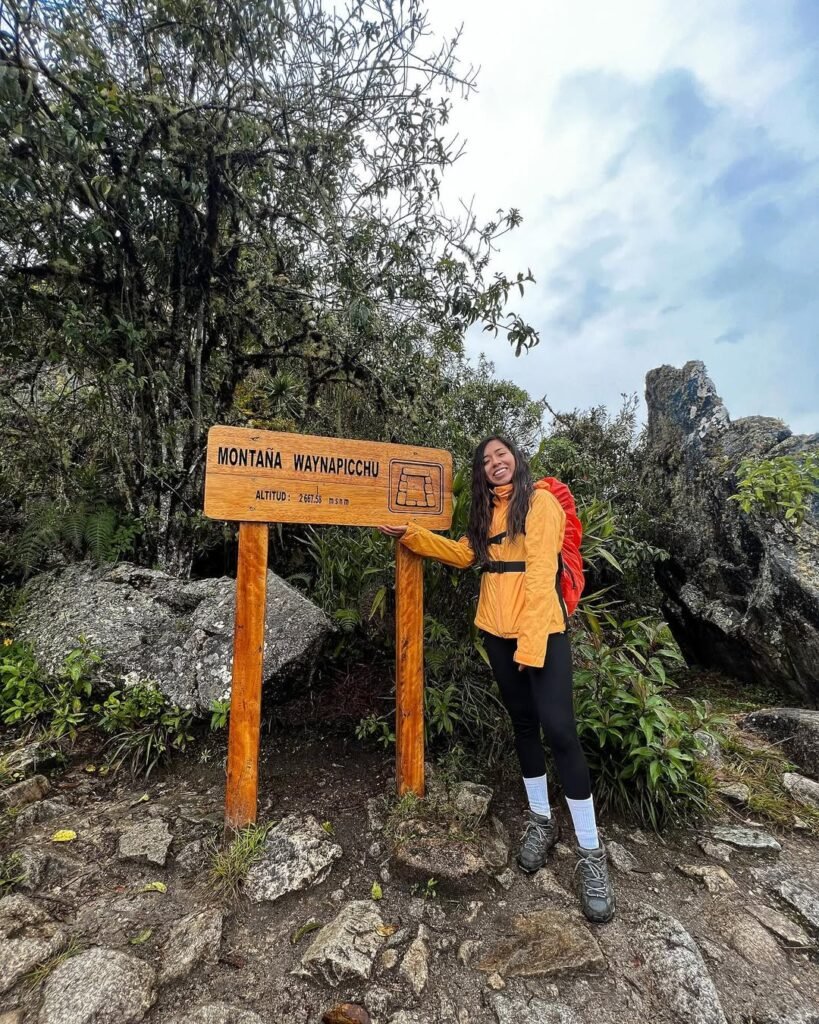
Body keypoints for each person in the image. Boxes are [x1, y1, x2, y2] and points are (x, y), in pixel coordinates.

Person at [379, 435, 615, 923]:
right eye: (486, 461)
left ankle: (592, 855)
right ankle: (541, 821)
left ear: (516, 458)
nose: (495, 463)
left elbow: (539, 573)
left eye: (501, 454)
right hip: (495, 630)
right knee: (523, 726)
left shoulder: (542, 502)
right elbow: (467, 556)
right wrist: (410, 535)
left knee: (562, 733)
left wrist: (530, 647)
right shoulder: (486, 513)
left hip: (542, 632)